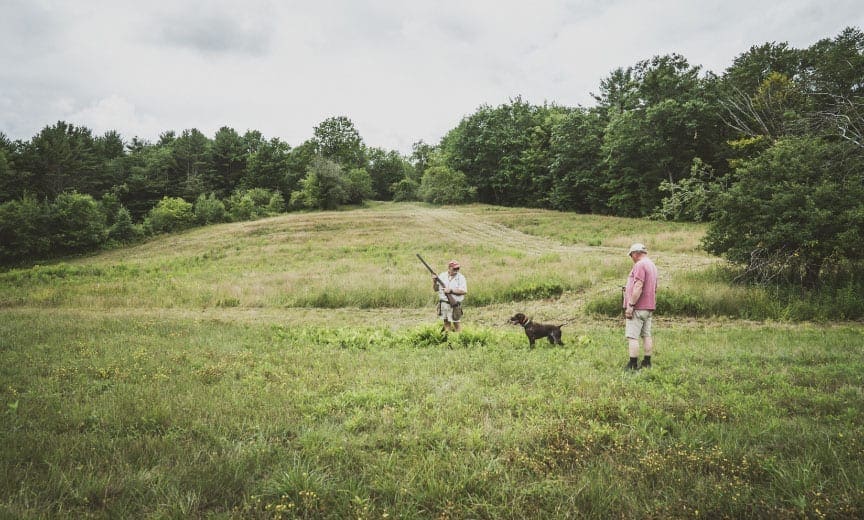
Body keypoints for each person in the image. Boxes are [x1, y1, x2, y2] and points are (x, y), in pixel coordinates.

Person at [623, 243, 658, 370]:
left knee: (632, 336)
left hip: (638, 307)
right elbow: (655, 287)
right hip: (649, 307)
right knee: (646, 335)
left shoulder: (639, 265)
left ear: (636, 253)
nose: (631, 258)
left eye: (631, 255)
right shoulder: (652, 265)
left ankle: (632, 364)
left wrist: (631, 305)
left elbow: (638, 285)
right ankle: (647, 362)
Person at [433, 260, 467, 332]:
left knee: (456, 324)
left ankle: (459, 338)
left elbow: (464, 291)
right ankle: (448, 338)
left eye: (458, 268)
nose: (456, 270)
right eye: (454, 268)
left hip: (454, 304)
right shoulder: (442, 275)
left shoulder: (461, 277)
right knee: (446, 323)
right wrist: (434, 282)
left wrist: (451, 291)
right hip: (444, 304)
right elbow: (435, 289)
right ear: (449, 268)